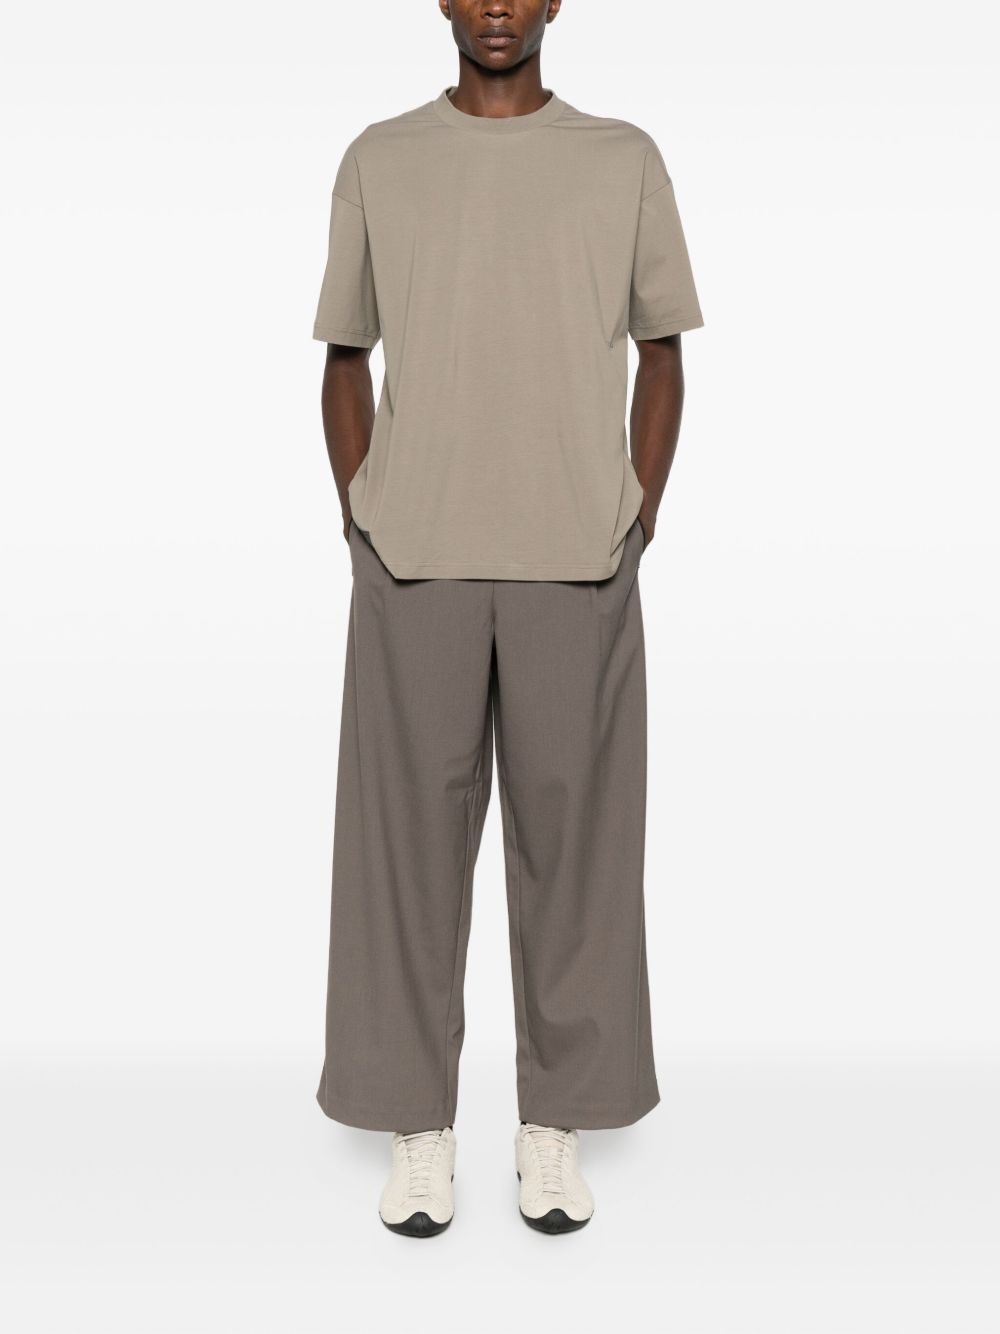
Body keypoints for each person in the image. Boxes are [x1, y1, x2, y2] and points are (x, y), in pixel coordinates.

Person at [313, 0, 702, 1238]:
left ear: (553, 3)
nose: (495, 5)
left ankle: (555, 1126)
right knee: (399, 858)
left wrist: (635, 515)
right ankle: (415, 1127)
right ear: (440, 0)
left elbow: (663, 350)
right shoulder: (380, 158)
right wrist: (363, 516)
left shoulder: (622, 158)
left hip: (574, 559)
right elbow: (343, 356)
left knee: (581, 854)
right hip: (414, 560)